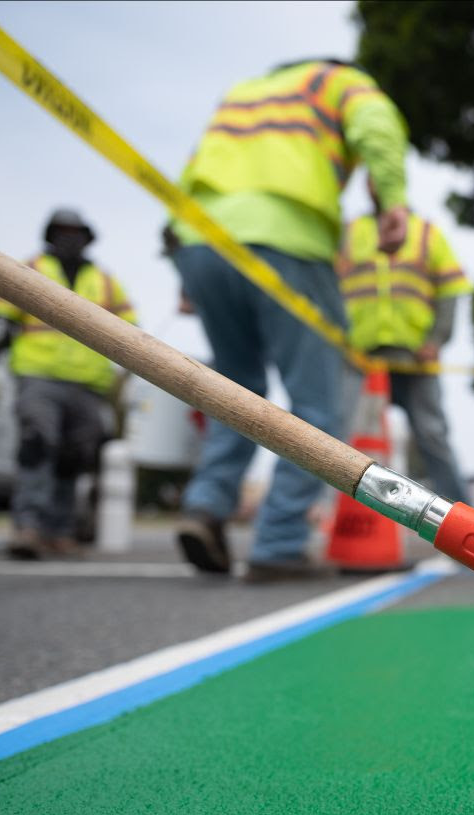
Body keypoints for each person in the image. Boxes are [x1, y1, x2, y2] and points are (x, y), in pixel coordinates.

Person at [170, 58, 410, 583]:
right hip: (288, 239)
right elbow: (377, 124)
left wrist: (183, 260)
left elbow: (195, 167)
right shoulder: (341, 81)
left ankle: (206, 507)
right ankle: (279, 541)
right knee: (315, 403)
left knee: (231, 388)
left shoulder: (245, 90)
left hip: (202, 241)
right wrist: (392, 199)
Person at [0, 208, 137, 559]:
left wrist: (131, 376)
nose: (69, 238)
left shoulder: (106, 281)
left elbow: (130, 331)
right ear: (50, 234)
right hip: (39, 376)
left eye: (75, 232)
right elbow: (1, 317)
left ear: (87, 237)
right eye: (62, 231)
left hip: (89, 385)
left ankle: (60, 531)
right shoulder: (29, 269)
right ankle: (28, 527)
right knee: (37, 445)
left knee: (73, 458)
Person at [337, 188, 473, 502]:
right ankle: (331, 515)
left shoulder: (427, 234)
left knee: (433, 435)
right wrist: (339, 340)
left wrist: (436, 340)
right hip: (360, 357)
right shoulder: (350, 233)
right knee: (344, 436)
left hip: (416, 357)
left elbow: (450, 289)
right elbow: (330, 288)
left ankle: (462, 515)